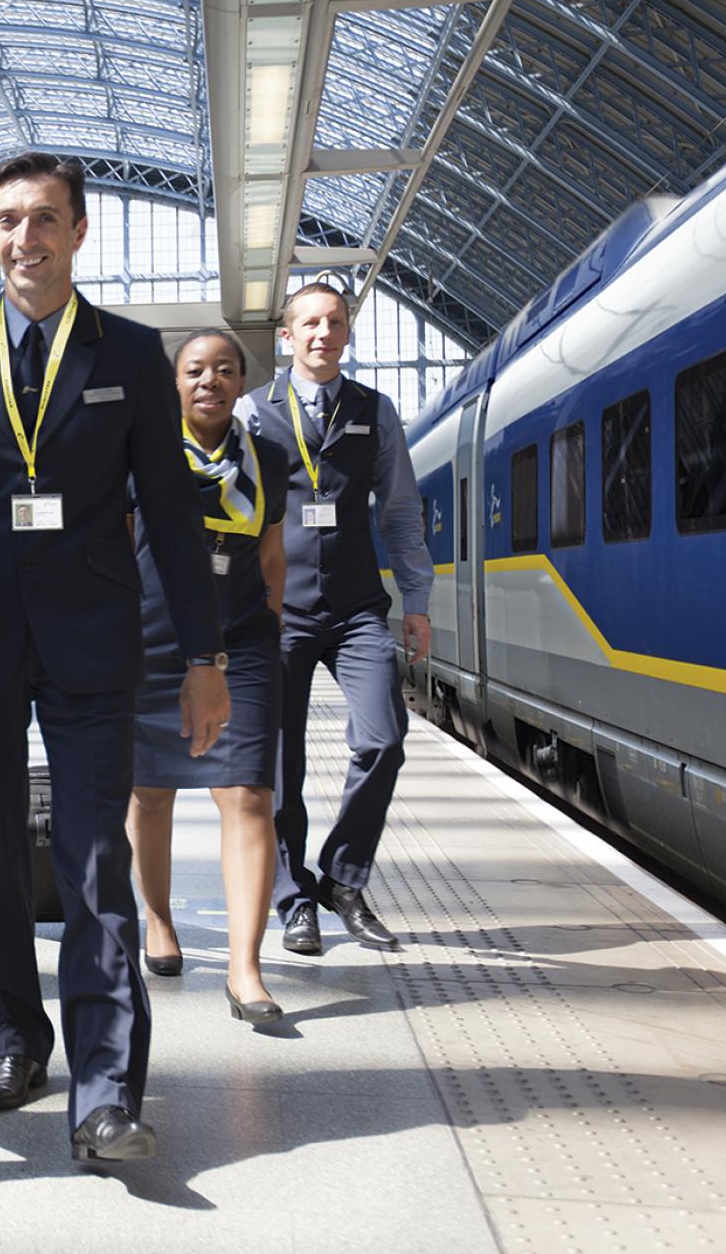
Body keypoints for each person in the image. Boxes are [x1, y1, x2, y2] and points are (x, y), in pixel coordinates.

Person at [0, 153, 227, 1167]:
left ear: (78, 232)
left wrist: (203, 655)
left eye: (43, 219)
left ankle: (105, 1090)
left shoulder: (129, 352)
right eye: (5, 221)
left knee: (93, 861)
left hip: (92, 641)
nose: (23, 238)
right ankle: (14, 1037)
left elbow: (172, 513)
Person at [235, 282, 434, 955]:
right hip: (277, 612)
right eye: (310, 323)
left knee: (383, 737)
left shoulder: (374, 412)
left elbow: (400, 513)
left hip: (356, 609)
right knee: (280, 763)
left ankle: (343, 879)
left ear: (348, 332)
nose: (324, 333)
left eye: (336, 322)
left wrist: (418, 603)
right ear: (286, 336)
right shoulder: (252, 412)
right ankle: (294, 899)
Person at [127, 330, 288, 1025]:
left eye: (226, 370)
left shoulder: (270, 460)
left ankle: (244, 967)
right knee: (150, 794)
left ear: (241, 382)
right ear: (176, 383)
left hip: (240, 644)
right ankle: (158, 921)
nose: (210, 381)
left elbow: (274, 556)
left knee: (248, 796)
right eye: (196, 370)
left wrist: (266, 629)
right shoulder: (142, 458)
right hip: (149, 644)